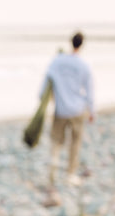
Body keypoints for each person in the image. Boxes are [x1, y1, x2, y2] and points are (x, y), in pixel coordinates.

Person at [40, 32, 95, 185]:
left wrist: (42, 102)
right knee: (75, 143)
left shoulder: (57, 62)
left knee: (56, 141)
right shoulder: (83, 65)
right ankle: (70, 174)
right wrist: (92, 111)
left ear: (71, 42)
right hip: (77, 109)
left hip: (61, 109)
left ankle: (53, 167)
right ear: (81, 45)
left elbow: (46, 83)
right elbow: (89, 90)